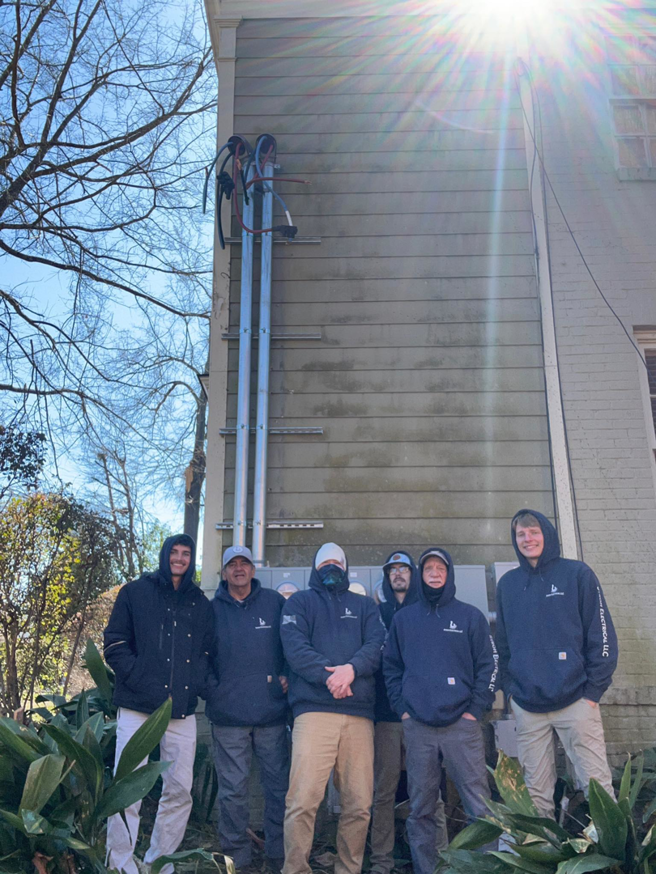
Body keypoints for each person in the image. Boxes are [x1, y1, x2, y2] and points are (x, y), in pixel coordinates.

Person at [496, 509, 618, 818]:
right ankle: (544, 856)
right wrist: (511, 692)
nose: (528, 539)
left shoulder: (577, 574)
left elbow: (601, 634)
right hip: (528, 705)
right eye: (520, 534)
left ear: (547, 534)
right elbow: (503, 645)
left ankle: (610, 859)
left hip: (577, 699)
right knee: (536, 795)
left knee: (596, 786)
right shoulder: (508, 585)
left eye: (533, 532)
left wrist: (593, 692)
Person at [384, 547, 498, 874]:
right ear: (421, 575)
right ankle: (429, 869)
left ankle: (485, 868)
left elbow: (489, 666)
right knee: (421, 809)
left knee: (480, 806)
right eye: (429, 568)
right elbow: (390, 667)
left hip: (462, 726)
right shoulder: (404, 619)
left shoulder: (470, 617)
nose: (434, 573)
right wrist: (403, 709)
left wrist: (475, 709)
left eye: (440, 568)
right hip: (418, 728)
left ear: (449, 574)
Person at [104, 534, 214, 874]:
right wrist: (149, 687)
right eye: (174, 552)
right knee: (127, 791)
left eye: (186, 554)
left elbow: (207, 655)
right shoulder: (135, 593)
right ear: (165, 555)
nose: (179, 558)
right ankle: (121, 866)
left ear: (191, 559)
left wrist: (193, 686)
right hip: (137, 708)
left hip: (181, 713)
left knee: (180, 792)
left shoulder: (201, 604)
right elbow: (115, 646)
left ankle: (158, 864)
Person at [280, 542, 386, 874]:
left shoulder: (366, 606)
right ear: (315, 568)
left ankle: (348, 869)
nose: (330, 567)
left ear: (345, 567)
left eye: (336, 562)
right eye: (324, 562)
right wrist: (331, 677)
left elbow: (377, 644)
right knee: (302, 801)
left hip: (358, 717)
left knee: (359, 804)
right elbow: (296, 649)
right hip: (313, 714)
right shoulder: (299, 603)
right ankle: (295, 869)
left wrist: (351, 669)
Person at [206, 545, 289, 873]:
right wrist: (215, 691)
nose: (239, 569)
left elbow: (293, 644)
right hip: (228, 719)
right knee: (233, 793)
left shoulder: (274, 603)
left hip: (271, 714)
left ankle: (278, 857)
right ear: (224, 572)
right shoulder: (210, 610)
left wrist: (287, 676)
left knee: (278, 789)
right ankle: (236, 861)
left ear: (253, 570)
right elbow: (200, 658)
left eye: (244, 563)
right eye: (232, 564)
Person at [371, 551, 447, 874]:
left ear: (412, 575)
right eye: (393, 570)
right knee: (383, 792)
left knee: (432, 793)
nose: (399, 574)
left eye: (404, 569)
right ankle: (381, 862)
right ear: (387, 577)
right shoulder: (374, 613)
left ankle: (440, 860)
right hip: (385, 717)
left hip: (421, 718)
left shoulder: (426, 611)